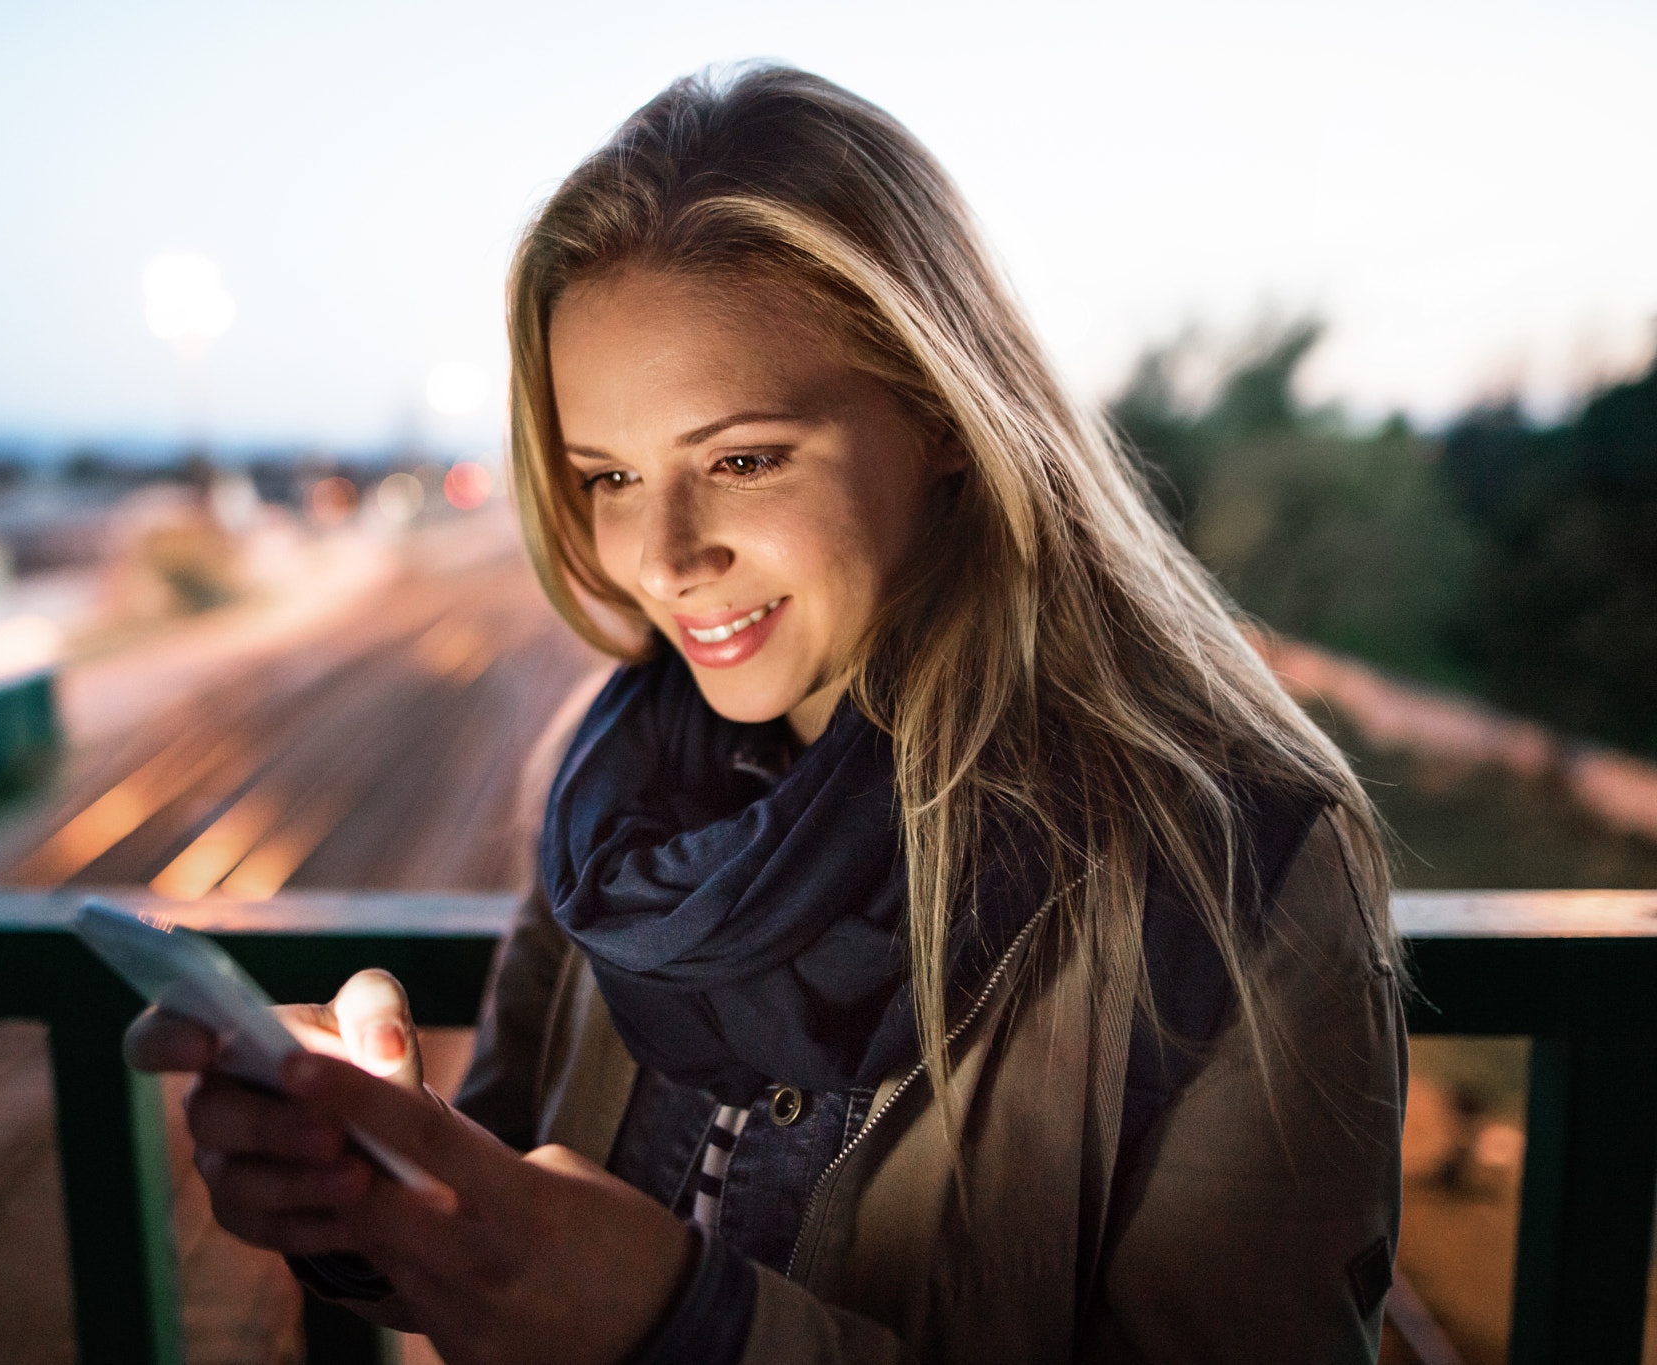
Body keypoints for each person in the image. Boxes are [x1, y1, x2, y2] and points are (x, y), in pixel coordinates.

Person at [125, 65, 1405, 1365]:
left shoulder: (1235, 868)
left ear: (942, 413)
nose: (665, 556)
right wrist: (375, 1192)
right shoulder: (620, 792)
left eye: (740, 458)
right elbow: (502, 1213)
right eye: (610, 476)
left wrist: (688, 1330)